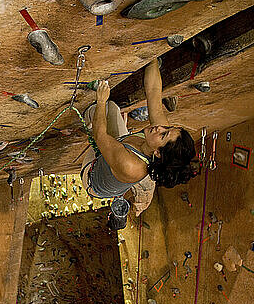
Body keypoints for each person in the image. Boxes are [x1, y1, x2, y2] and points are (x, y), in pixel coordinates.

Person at [80, 58, 196, 229]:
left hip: (92, 175)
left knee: (96, 111)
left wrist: (101, 101)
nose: (159, 127)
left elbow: (99, 135)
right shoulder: (157, 135)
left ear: (157, 153)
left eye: (164, 134)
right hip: (116, 156)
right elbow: (154, 91)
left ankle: (89, 121)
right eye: (168, 128)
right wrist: (153, 57)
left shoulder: (131, 166)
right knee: (112, 108)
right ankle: (111, 136)